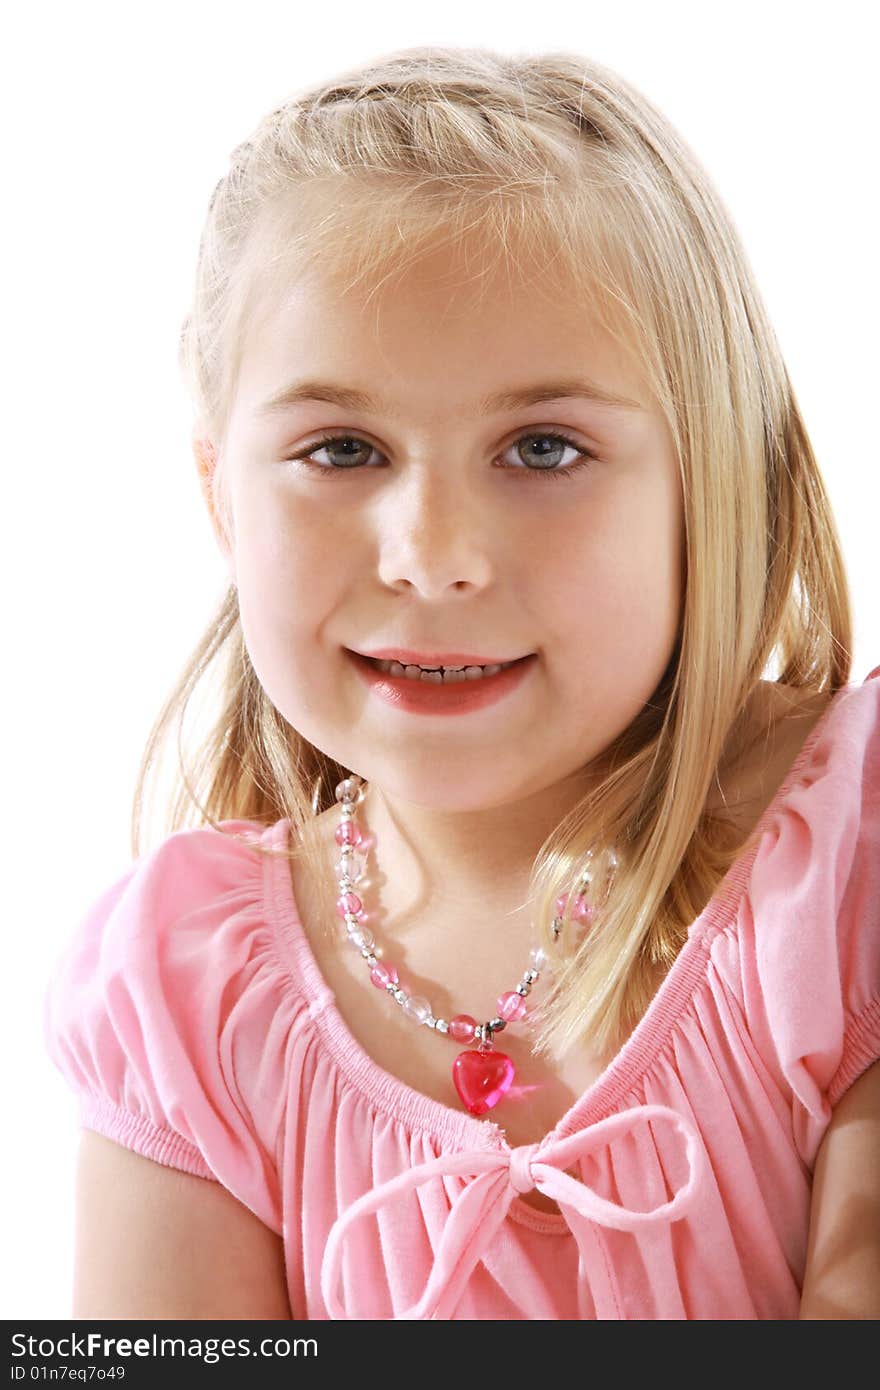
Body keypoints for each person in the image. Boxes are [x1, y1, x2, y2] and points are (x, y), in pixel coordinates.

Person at [44, 44, 879, 1321]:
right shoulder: (182, 994)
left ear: (709, 483)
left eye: (543, 447)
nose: (431, 557)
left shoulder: (846, 865)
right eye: (341, 448)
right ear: (221, 496)